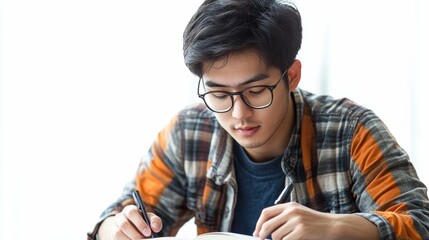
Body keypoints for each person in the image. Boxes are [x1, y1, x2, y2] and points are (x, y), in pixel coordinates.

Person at [87, 0, 429, 239]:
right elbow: (117, 218)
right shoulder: (189, 134)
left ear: (292, 76)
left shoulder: (351, 131)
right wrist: (115, 228)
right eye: (219, 94)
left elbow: (419, 223)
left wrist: (337, 228)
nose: (238, 115)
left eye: (255, 91)